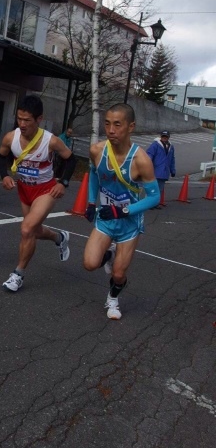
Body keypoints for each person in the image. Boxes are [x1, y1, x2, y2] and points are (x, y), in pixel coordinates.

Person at [83, 103, 160, 320]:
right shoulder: (96, 151)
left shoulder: (141, 160)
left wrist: (122, 211)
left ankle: (113, 298)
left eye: (117, 124)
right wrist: (90, 203)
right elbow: (95, 176)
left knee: (118, 274)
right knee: (89, 264)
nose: (110, 130)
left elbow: (155, 197)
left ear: (131, 127)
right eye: (107, 124)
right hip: (106, 219)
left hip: (129, 223)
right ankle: (108, 254)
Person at [0, 95, 77, 292]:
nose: (22, 124)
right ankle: (59, 238)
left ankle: (18, 274)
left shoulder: (51, 141)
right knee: (33, 230)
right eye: (19, 119)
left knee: (26, 229)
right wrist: (4, 176)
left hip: (45, 190)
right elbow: (1, 155)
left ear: (39, 119)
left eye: (27, 120)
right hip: (24, 189)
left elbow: (71, 159)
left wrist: (63, 183)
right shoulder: (11, 137)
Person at [146, 131, 176, 207]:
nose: (164, 138)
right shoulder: (155, 145)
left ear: (168, 137)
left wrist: (173, 170)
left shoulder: (171, 147)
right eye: (163, 136)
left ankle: (155, 204)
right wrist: (147, 167)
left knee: (160, 189)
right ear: (161, 136)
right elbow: (149, 156)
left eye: (166, 137)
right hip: (155, 170)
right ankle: (148, 204)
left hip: (165, 171)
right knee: (152, 188)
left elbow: (172, 159)